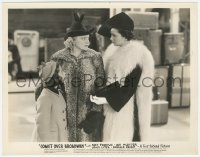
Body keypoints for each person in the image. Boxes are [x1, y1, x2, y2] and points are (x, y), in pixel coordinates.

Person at [90, 12, 154, 142]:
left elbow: (128, 87)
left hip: (128, 108)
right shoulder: (111, 51)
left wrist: (104, 99)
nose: (111, 38)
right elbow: (105, 79)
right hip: (112, 105)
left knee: (125, 140)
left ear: (125, 35)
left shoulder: (138, 56)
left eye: (114, 35)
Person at [50, 13, 105, 142]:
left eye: (88, 38)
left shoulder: (95, 57)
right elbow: (48, 85)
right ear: (72, 40)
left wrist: (96, 112)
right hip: (64, 113)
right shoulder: (59, 57)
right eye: (83, 38)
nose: (88, 41)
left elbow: (101, 85)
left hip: (88, 112)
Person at [32, 60, 68, 142]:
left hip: (60, 138)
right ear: (53, 77)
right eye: (59, 72)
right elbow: (42, 128)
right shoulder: (45, 97)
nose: (62, 74)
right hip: (51, 141)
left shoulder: (59, 93)